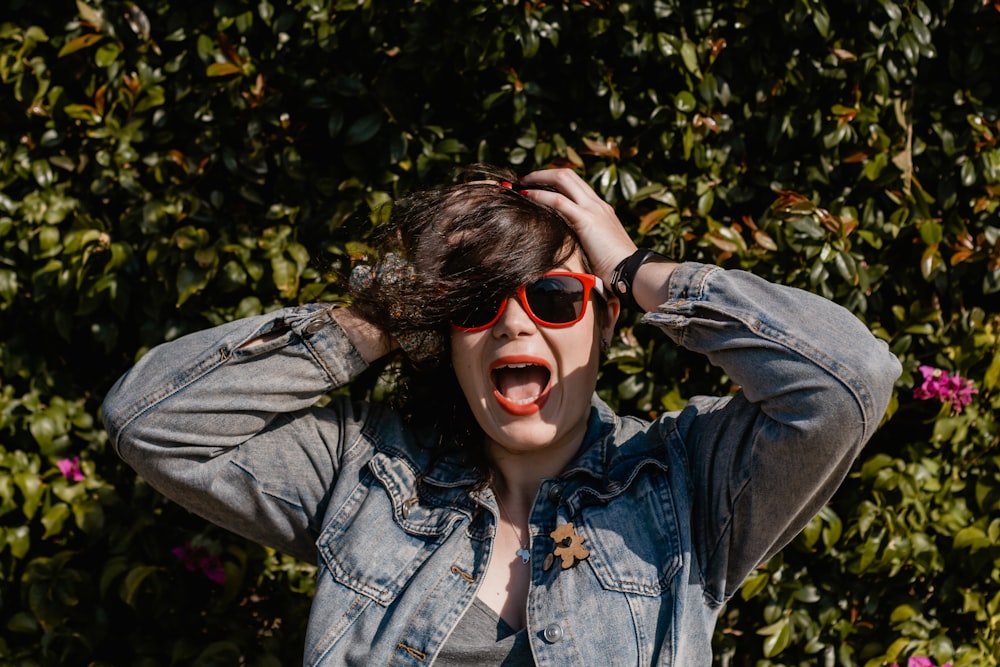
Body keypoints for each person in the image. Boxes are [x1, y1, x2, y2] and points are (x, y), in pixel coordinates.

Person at [102, 166, 901, 666]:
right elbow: (151, 419)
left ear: (606, 322)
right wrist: (393, 306)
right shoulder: (366, 473)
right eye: (478, 304)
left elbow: (848, 381)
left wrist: (632, 266)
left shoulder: (686, 483)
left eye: (553, 298)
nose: (516, 325)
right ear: (447, 335)